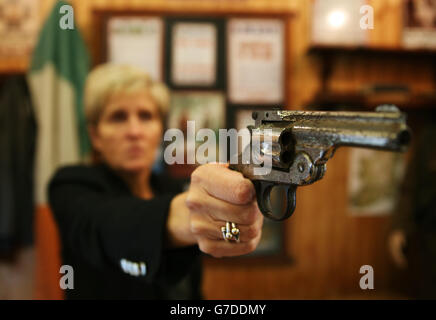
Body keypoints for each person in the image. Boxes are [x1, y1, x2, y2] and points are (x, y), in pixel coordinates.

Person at [48, 64, 264, 299]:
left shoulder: (170, 188)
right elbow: (107, 227)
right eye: (118, 117)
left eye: (146, 116)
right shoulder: (70, 185)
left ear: (160, 129)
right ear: (96, 136)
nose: (134, 131)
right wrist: (194, 215)